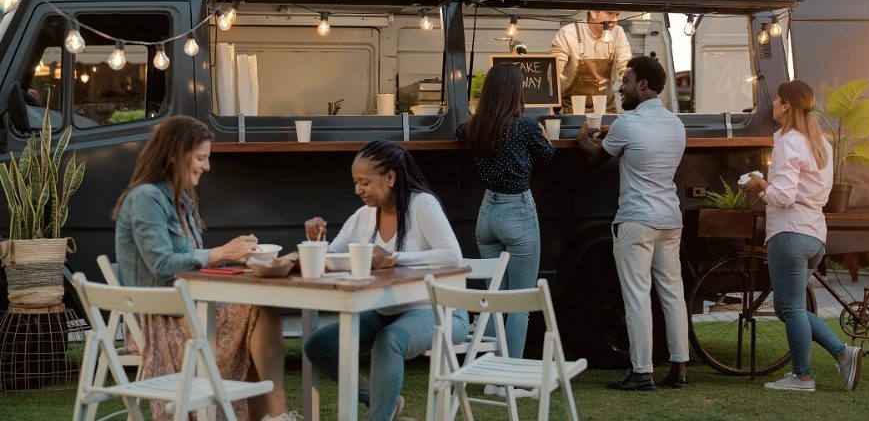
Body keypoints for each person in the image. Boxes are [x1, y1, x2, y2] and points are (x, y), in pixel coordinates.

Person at [114, 116, 295, 421]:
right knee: (259, 310)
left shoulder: (180, 198)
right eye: (200, 158)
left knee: (259, 308)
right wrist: (220, 252)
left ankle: (273, 415)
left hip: (188, 307)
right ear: (174, 155)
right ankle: (277, 415)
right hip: (160, 319)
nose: (207, 167)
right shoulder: (146, 198)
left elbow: (190, 258)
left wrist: (233, 256)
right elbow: (161, 265)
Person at [302, 139, 468, 421]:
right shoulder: (363, 217)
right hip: (387, 308)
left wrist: (393, 257)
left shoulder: (422, 205)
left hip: (439, 310)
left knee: (389, 339)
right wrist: (316, 240)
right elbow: (332, 256)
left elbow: (453, 256)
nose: (358, 190)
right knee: (319, 344)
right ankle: (382, 402)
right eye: (356, 182)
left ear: (390, 177)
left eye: (364, 182)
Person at [741, 80, 863, 392]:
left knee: (792, 308)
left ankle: (803, 376)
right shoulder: (820, 143)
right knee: (787, 308)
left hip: (790, 233)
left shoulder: (788, 141)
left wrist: (759, 184)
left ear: (786, 106)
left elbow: (782, 196)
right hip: (815, 236)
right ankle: (842, 353)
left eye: (777, 100)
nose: (773, 105)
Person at [576, 55, 689, 391]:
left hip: (637, 219)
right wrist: (616, 131)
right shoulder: (676, 125)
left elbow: (596, 156)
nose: (620, 88)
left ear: (642, 85)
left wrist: (584, 133)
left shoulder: (627, 123)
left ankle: (642, 372)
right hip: (670, 218)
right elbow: (645, 144)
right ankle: (679, 368)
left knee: (637, 296)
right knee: (672, 294)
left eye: (625, 81)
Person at [457, 63, 555, 396]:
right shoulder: (527, 127)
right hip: (518, 212)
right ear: (516, 92)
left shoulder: (474, 126)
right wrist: (544, 135)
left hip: (487, 215)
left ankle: (496, 379)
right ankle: (511, 381)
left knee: (497, 300)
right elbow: (549, 156)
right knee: (520, 302)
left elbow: (459, 132)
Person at [550, 10, 632, 114]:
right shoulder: (568, 33)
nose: (615, 19)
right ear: (593, 13)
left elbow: (625, 65)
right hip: (573, 109)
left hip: (605, 109)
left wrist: (630, 78)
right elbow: (554, 70)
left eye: (617, 14)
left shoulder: (617, 32)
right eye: (609, 13)